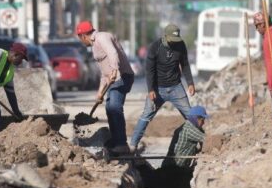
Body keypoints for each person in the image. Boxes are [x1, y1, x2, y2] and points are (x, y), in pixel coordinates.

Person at [130, 24, 195, 151]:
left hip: (176, 87)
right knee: (146, 115)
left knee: (190, 115)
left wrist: (190, 83)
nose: (174, 43)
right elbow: (149, 70)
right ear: (165, 36)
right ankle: (133, 145)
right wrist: (150, 90)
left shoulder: (181, 45)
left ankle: (200, 141)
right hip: (157, 89)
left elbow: (185, 65)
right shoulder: (155, 47)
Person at [76, 21, 135, 155]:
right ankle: (116, 141)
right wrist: (100, 93)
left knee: (114, 107)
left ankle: (121, 144)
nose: (80, 41)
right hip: (114, 78)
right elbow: (104, 74)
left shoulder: (102, 37)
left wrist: (115, 69)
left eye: (79, 38)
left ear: (83, 35)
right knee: (109, 108)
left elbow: (113, 53)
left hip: (122, 76)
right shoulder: (95, 47)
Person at [161, 105, 208, 170]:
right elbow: (208, 140)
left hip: (175, 167)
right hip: (173, 169)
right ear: (197, 119)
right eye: (202, 120)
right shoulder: (190, 129)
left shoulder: (189, 125)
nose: (203, 123)